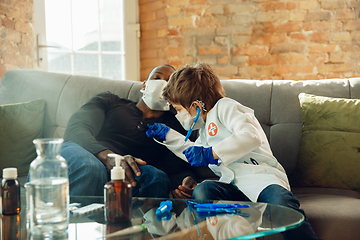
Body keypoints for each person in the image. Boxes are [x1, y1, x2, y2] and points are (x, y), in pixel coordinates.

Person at [146, 62, 318, 240]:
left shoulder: (226, 107)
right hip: (233, 185)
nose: (177, 114)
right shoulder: (204, 131)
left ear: (196, 105)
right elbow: (193, 152)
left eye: (179, 109)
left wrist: (211, 153)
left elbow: (250, 136)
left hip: (262, 179)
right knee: (203, 190)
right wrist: (168, 136)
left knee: (282, 204)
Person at [61, 64, 205, 199]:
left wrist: (185, 182)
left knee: (157, 179)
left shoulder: (174, 125)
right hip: (85, 153)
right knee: (91, 168)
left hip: (129, 171)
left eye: (170, 82)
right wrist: (109, 157)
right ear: (145, 84)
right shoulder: (110, 101)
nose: (163, 84)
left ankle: (125, 224)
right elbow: (76, 129)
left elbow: (175, 167)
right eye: (156, 78)